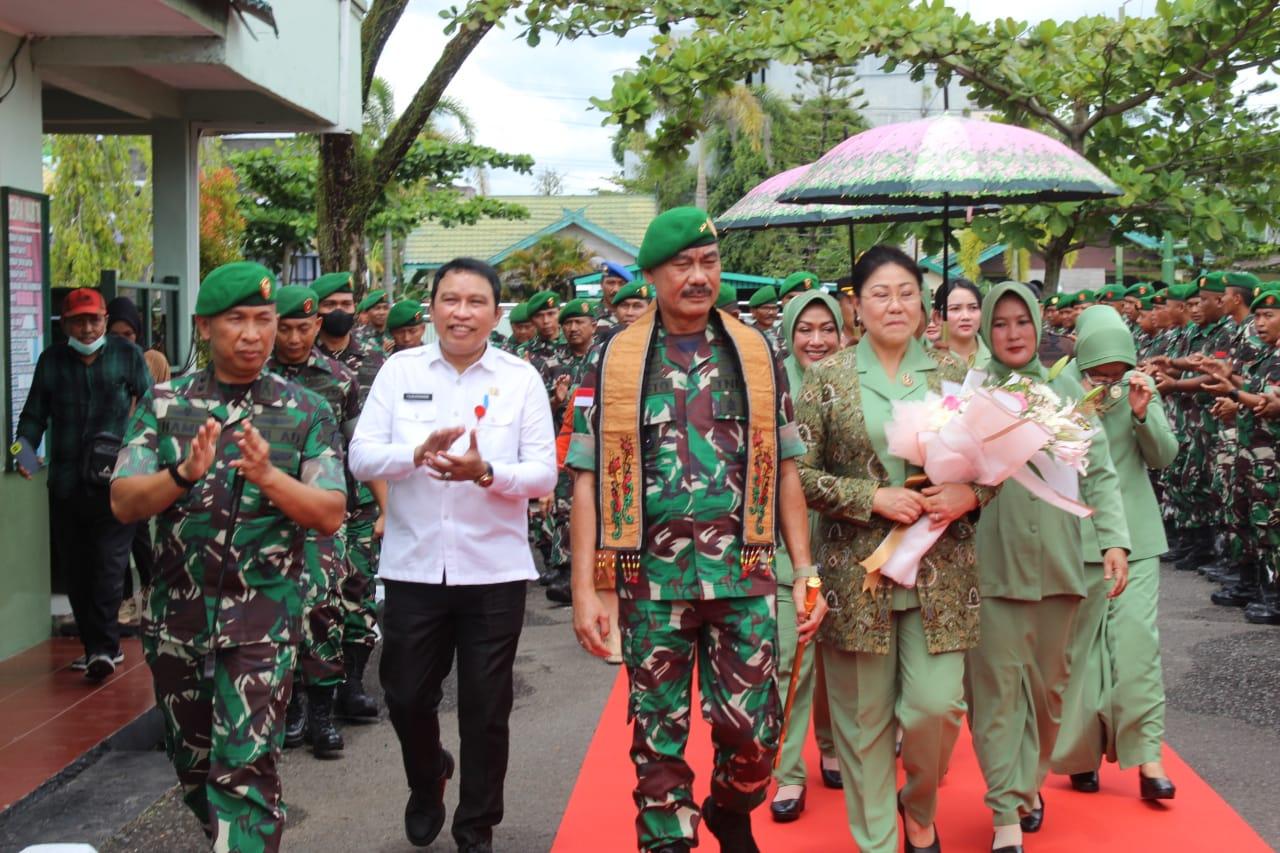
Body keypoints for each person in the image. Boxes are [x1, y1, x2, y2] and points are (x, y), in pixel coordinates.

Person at [567, 207, 818, 853]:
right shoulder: (614, 358)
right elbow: (587, 478)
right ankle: (668, 838)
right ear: (652, 275)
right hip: (650, 582)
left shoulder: (755, 351)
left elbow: (787, 465)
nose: (699, 276)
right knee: (657, 741)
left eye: (708, 261)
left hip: (744, 573)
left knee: (755, 734)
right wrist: (585, 590)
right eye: (682, 264)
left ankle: (731, 805)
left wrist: (805, 568)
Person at [110, 261, 347, 852]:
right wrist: (182, 475)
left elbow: (328, 511)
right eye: (236, 320)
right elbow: (124, 501)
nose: (252, 334)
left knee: (244, 775)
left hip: (263, 622)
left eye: (263, 320)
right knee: (195, 774)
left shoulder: (304, 410)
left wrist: (270, 477)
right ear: (204, 326)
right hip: (177, 624)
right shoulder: (164, 404)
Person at [349, 257, 556, 853]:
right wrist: (413, 455)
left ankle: (476, 827)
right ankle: (428, 777)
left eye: (475, 302)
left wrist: (487, 472)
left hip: (494, 570)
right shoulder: (399, 370)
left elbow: (543, 473)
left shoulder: (520, 378)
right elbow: (360, 456)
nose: (461, 313)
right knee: (405, 694)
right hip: (414, 567)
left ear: (495, 312)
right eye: (449, 300)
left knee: (486, 709)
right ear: (433, 306)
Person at [796, 247, 992, 853]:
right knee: (863, 725)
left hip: (941, 570)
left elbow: (993, 463)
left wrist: (970, 493)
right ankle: (877, 840)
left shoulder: (953, 374)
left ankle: (920, 805)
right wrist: (871, 497)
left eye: (908, 293)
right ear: (856, 306)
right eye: (880, 294)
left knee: (937, 709)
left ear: (925, 305)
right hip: (857, 576)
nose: (896, 305)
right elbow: (798, 475)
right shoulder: (827, 378)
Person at [967, 282, 1130, 853]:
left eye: (1022, 322)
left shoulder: (1066, 390)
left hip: (1061, 565)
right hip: (992, 566)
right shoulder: (970, 393)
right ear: (986, 329)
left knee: (1048, 693)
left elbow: (1099, 470)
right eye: (1001, 322)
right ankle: (1005, 810)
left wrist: (1114, 541)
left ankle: (1028, 784)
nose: (1013, 334)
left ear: (1038, 325)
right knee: (994, 695)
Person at [1051, 306, 1178, 800]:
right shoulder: (1057, 388)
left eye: (1115, 373)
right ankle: (1080, 757)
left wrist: (1142, 413)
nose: (1108, 383)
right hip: (1077, 538)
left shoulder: (1138, 387)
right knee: (1077, 655)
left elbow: (1163, 456)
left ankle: (1148, 757)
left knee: (1137, 647)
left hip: (1137, 539)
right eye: (1098, 374)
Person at [16, 287, 151, 682]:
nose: (87, 328)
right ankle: (97, 648)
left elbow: (151, 406)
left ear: (105, 320)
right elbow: (31, 417)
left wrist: (143, 455)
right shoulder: (52, 361)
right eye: (78, 321)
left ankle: (104, 648)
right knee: (77, 570)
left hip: (116, 482)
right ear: (65, 325)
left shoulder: (128, 355)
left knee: (109, 565)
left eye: (94, 319)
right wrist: (22, 453)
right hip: (66, 484)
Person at [266, 285, 361, 759]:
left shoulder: (340, 380)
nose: (294, 338)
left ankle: (322, 712)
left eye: (303, 328)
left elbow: (355, 448)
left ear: (317, 326)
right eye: (284, 329)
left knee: (323, 605)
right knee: (276, 608)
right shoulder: (255, 378)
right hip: (266, 512)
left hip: (323, 511)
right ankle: (291, 708)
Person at [770, 289, 844, 824]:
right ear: (789, 334)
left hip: (847, 545)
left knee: (842, 659)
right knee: (790, 660)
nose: (816, 340)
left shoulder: (858, 386)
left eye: (827, 329)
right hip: (787, 549)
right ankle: (789, 771)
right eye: (805, 329)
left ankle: (833, 744)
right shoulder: (772, 389)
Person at [311, 271, 388, 719]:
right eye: (330, 304)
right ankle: (309, 697)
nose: (338, 311)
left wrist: (388, 502)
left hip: (361, 497)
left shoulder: (377, 360)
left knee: (358, 589)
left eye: (345, 302)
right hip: (314, 497)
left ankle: (353, 684)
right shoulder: (301, 361)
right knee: (317, 598)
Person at [543, 298, 601, 605]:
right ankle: (566, 570)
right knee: (565, 508)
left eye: (580, 322)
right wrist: (557, 399)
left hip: (601, 443)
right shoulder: (554, 361)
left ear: (594, 325)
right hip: (566, 444)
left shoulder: (605, 355)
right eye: (568, 323)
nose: (573, 328)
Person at [932, 278, 989, 367]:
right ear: (938, 317)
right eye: (955, 308)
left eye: (973, 308)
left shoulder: (998, 356)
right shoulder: (927, 360)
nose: (966, 317)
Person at [596, 260, 634, 335]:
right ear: (601, 285)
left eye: (621, 284)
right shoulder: (589, 316)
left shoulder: (635, 315)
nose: (616, 289)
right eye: (611, 283)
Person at [355, 288, 393, 353]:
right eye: (377, 308)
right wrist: (382, 352)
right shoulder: (356, 336)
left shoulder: (394, 334)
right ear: (367, 312)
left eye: (385, 308)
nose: (382, 312)